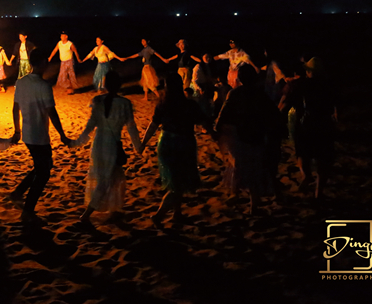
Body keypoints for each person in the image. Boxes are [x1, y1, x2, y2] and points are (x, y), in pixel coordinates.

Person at [8, 49, 72, 223]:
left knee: (43, 166)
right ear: (42, 63)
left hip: (27, 135)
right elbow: (52, 112)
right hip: (39, 136)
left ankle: (18, 193)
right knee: (43, 173)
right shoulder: (44, 86)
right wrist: (62, 135)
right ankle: (27, 211)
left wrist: (17, 131)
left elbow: (15, 108)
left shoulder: (21, 82)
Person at [71, 72, 143, 225]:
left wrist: (79, 141)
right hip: (113, 143)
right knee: (106, 179)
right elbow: (131, 127)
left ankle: (113, 208)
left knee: (112, 176)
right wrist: (138, 146)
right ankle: (87, 214)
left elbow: (91, 124)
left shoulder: (98, 100)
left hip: (98, 143)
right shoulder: (124, 103)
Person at [213, 64, 286, 214]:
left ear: (239, 78)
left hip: (242, 135)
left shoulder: (235, 94)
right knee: (254, 168)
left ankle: (243, 198)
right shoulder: (260, 94)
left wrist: (217, 129)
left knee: (241, 166)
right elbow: (274, 114)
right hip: (257, 135)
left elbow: (223, 114)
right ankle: (253, 203)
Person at [140, 72, 210, 225]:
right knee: (177, 184)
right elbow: (204, 122)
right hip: (183, 143)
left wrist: (143, 143)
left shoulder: (163, 104)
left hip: (165, 142)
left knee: (177, 181)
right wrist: (216, 135)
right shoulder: (189, 105)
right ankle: (159, 215)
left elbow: (153, 125)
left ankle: (177, 213)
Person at [282, 57, 337, 199]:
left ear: (308, 71)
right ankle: (319, 192)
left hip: (304, 125)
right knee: (323, 159)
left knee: (302, 154)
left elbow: (284, 104)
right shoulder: (329, 86)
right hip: (324, 125)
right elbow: (335, 107)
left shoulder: (298, 85)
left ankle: (306, 176)